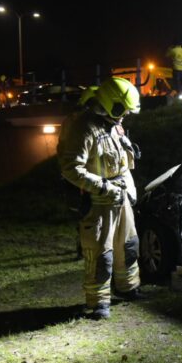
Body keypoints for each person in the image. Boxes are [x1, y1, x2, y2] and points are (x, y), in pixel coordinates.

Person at [57, 77, 143, 319]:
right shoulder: (83, 129)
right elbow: (71, 168)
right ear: (109, 103)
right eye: (123, 109)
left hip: (121, 197)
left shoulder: (114, 125)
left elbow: (123, 163)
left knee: (128, 247)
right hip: (98, 203)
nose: (125, 114)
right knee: (100, 254)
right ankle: (98, 303)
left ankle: (128, 288)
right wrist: (103, 188)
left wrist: (130, 188)